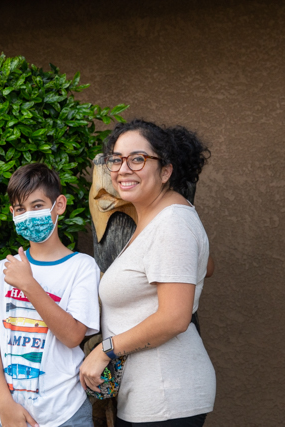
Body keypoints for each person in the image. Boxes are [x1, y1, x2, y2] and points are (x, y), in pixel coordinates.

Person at [79, 119, 216, 427]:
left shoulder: (172, 223)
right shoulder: (159, 218)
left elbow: (174, 318)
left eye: (137, 159)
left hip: (166, 394)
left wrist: (106, 350)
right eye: (116, 159)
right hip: (148, 394)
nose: (123, 169)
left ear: (165, 170)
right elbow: (205, 266)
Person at [0, 163, 100, 427]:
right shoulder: (3, 270)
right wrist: (4, 404)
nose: (28, 215)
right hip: (12, 415)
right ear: (12, 213)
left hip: (67, 414)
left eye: (37, 205)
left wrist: (29, 285)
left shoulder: (82, 267)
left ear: (59, 205)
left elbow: (72, 336)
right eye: (20, 209)